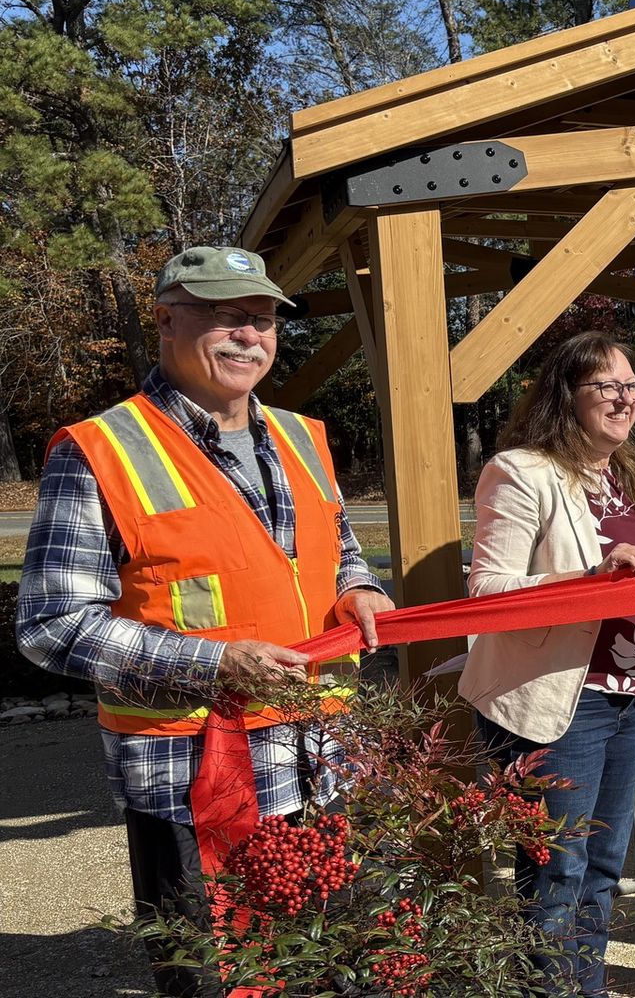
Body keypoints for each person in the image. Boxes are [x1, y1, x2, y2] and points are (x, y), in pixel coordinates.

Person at [15, 246, 390, 997]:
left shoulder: (300, 437)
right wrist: (212, 663)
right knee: (217, 970)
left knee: (326, 959)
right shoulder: (100, 450)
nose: (249, 336)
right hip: (189, 772)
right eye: (227, 318)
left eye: (260, 321)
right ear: (165, 320)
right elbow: (51, 623)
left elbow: (340, 547)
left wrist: (360, 590)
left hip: (315, 752)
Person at [463, 331, 635, 995]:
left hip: (626, 698)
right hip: (557, 704)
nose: (624, 397)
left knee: (603, 866)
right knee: (558, 870)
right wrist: (588, 575)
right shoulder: (521, 471)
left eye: (630, 385)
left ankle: (587, 986)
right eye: (606, 386)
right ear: (566, 396)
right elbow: (487, 592)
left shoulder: (628, 477)